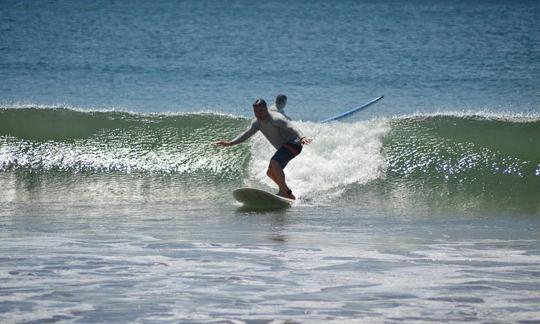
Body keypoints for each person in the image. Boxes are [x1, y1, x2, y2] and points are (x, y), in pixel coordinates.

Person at [215, 98, 311, 200]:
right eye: (256, 111)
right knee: (270, 173)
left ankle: (282, 192)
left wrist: (302, 137)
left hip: (294, 144)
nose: (258, 114)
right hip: (284, 148)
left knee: (275, 162)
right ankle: (287, 193)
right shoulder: (257, 123)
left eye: (261, 110)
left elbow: (292, 127)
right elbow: (246, 134)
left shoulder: (276, 119)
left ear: (266, 109)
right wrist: (230, 143)